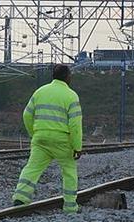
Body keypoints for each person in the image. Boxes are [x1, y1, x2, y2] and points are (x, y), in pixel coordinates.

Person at [12, 64, 83, 213]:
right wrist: (77, 147)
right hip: (62, 141)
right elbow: (75, 125)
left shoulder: (40, 92)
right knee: (69, 171)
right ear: (68, 77)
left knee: (32, 168)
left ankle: (20, 198)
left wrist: (34, 133)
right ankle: (70, 207)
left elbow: (26, 115)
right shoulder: (71, 96)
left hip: (40, 139)